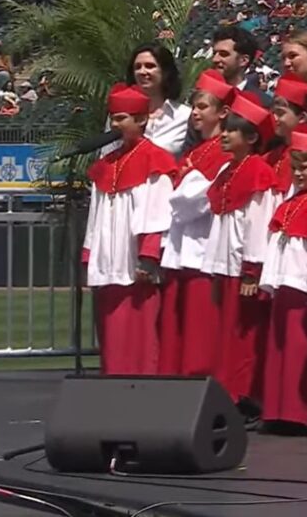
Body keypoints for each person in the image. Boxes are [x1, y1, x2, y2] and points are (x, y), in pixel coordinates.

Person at [82, 84, 177, 375]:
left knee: (140, 327)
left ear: (142, 120)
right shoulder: (105, 163)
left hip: (135, 260)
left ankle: (143, 383)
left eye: (122, 118)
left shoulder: (154, 159)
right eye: (112, 118)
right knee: (110, 328)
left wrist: (148, 255)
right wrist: (89, 255)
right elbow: (96, 213)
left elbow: (157, 210)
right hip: (108, 259)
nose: (115, 124)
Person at [203, 93, 278, 419]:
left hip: (242, 266)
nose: (224, 135)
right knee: (228, 332)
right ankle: (227, 390)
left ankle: (244, 394)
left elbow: (257, 224)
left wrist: (251, 270)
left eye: (232, 131)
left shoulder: (257, 171)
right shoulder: (228, 170)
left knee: (245, 334)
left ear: (250, 137)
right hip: (225, 264)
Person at [158, 70, 235, 376]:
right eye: (195, 106)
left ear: (223, 113)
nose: (195, 113)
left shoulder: (221, 151)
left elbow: (193, 200)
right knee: (179, 324)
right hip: (181, 248)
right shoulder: (195, 151)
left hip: (202, 247)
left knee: (200, 328)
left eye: (203, 107)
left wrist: (175, 191)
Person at [259, 131, 307, 431]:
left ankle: (298, 413)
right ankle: (277, 411)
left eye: (306, 168)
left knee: (300, 347)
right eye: (296, 168)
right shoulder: (293, 200)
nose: (299, 174)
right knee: (280, 347)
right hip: (284, 283)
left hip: (304, 283)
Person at [104, 43, 191, 157]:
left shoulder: (185, 116)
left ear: (166, 72)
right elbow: (107, 154)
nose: (142, 72)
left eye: (150, 66)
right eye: (137, 67)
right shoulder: (120, 113)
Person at [266, 73, 307, 199]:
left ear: (302, 117)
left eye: (280, 113)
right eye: (273, 112)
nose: (274, 118)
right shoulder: (270, 156)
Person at [211, 25, 271, 106]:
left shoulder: (261, 103)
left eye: (223, 54)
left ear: (243, 60)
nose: (215, 59)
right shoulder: (203, 94)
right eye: (214, 53)